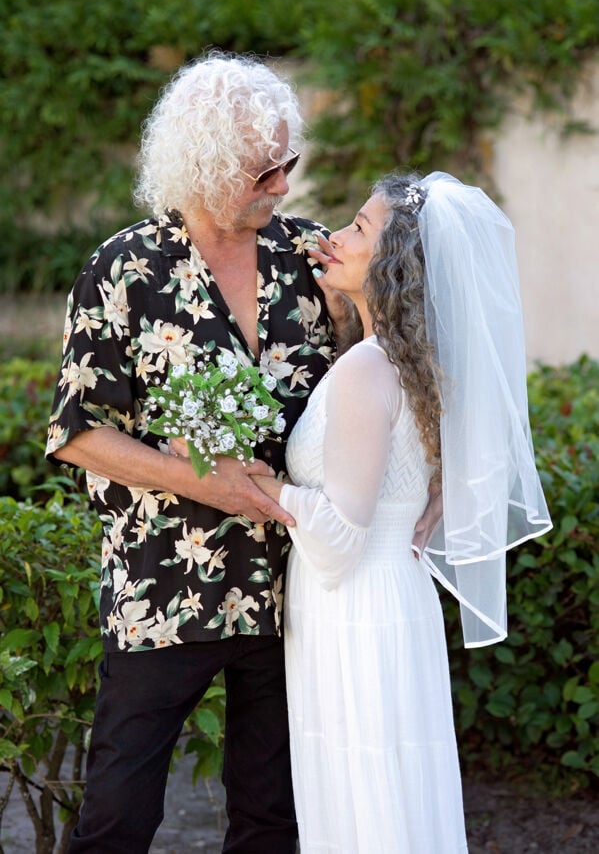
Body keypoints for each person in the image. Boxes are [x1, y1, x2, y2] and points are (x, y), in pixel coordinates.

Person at [45, 51, 344, 853]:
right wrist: (208, 484)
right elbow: (78, 432)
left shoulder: (311, 257)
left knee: (274, 818)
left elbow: (383, 371)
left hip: (296, 586)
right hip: (163, 586)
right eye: (261, 171)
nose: (281, 186)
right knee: (118, 814)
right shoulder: (123, 269)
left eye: (288, 164)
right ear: (204, 166)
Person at [250, 172, 553, 852]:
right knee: (388, 789)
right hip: (388, 599)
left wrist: (258, 486)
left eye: (358, 228)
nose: (334, 237)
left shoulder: (366, 369)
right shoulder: (408, 364)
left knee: (367, 795)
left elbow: (339, 535)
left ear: (393, 263)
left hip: (356, 607)